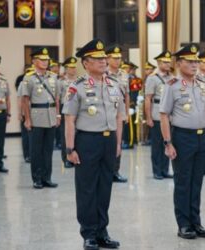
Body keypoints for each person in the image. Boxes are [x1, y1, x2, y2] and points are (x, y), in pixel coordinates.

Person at [63, 39, 124, 250]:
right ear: (86, 63)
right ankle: (88, 233)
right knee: (87, 188)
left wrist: (117, 144)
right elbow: (69, 119)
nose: (103, 61)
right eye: (97, 59)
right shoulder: (76, 87)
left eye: (103, 58)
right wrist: (70, 149)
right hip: (87, 141)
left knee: (105, 187)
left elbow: (119, 118)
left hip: (109, 141)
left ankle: (102, 232)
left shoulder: (115, 85)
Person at [160, 43, 205, 239]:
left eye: (196, 61)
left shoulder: (202, 84)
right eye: (190, 61)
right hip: (182, 137)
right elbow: (163, 115)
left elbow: (202, 108)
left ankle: (196, 222)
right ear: (178, 63)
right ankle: (184, 224)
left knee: (197, 182)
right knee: (183, 182)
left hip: (202, 136)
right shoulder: (172, 86)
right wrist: (168, 143)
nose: (195, 65)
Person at [21, 48, 60, 188]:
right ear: (34, 61)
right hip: (36, 116)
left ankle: (47, 177)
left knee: (48, 150)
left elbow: (57, 98)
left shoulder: (53, 77)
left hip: (50, 116)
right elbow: (25, 100)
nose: (45, 62)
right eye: (42, 59)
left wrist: (57, 114)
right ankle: (37, 179)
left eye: (47, 59)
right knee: (36, 151)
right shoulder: (29, 78)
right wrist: (27, 119)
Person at [145, 50, 173, 180]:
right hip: (156, 113)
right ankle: (157, 171)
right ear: (158, 63)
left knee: (167, 142)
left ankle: (165, 169)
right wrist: (149, 117)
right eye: (164, 62)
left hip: (169, 115)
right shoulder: (152, 78)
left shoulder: (172, 78)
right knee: (157, 144)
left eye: (169, 61)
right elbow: (148, 99)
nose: (167, 64)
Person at [106, 45, 129, 183]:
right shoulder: (104, 74)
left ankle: (116, 170)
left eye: (119, 58)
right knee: (107, 143)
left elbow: (126, 95)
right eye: (114, 58)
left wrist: (126, 112)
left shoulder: (123, 74)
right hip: (107, 111)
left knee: (118, 142)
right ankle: (107, 171)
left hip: (119, 113)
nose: (118, 61)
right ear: (107, 59)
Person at [59, 56, 78, 168]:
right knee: (65, 134)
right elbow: (58, 97)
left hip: (76, 109)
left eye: (74, 67)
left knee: (76, 134)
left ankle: (74, 157)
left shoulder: (79, 81)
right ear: (66, 69)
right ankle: (66, 158)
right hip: (65, 108)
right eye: (71, 67)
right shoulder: (61, 82)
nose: (73, 69)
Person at [16, 65, 34, 163]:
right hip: (25, 114)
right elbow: (20, 100)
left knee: (32, 136)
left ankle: (33, 154)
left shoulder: (35, 83)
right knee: (26, 136)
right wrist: (20, 113)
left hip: (34, 114)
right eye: (28, 72)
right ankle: (27, 155)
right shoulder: (22, 84)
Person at [0, 54, 11, 173]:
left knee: (0, 140)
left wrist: (9, 113)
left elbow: (8, 99)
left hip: (1, 114)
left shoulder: (4, 81)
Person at [50, 59, 62, 150]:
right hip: (51, 104)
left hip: (60, 103)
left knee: (59, 125)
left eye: (57, 67)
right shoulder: (49, 78)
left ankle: (59, 142)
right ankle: (52, 141)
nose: (55, 68)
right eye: (53, 67)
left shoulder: (61, 78)